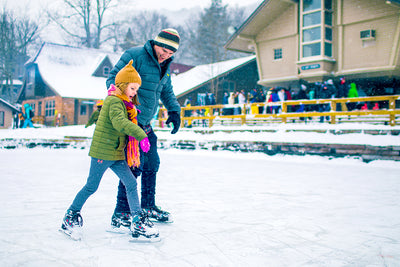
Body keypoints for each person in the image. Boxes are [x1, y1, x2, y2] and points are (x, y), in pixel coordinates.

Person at [61, 61, 159, 241]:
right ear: (122, 85)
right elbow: (119, 123)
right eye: (132, 87)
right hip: (102, 153)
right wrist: (140, 135)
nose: (135, 92)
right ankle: (70, 215)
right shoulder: (114, 101)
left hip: (116, 153)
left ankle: (136, 221)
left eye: (136, 88)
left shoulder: (125, 103)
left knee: (131, 183)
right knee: (91, 186)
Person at [106, 28, 181, 228]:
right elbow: (112, 80)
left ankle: (148, 206)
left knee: (152, 163)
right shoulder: (135, 55)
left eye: (171, 53)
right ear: (156, 43)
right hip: (130, 121)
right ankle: (122, 212)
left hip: (145, 123)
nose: (166, 55)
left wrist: (174, 110)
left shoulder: (164, 65)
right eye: (164, 50)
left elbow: (166, 90)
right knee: (133, 165)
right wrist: (125, 105)